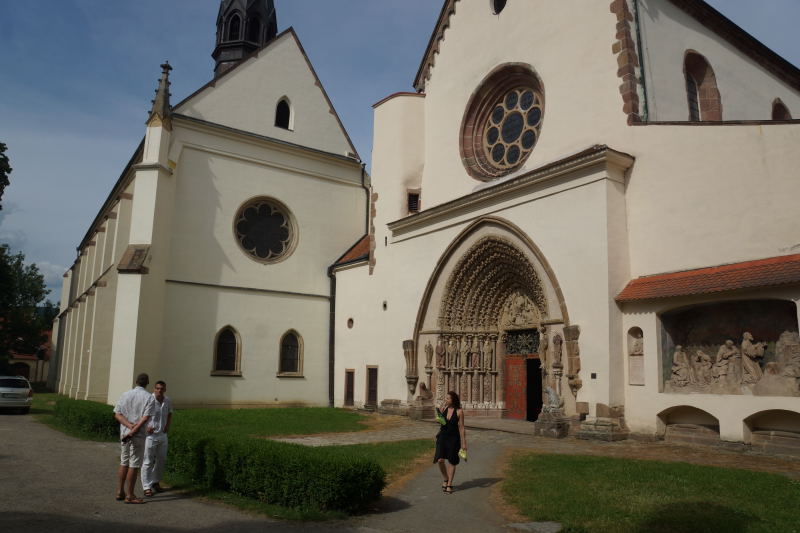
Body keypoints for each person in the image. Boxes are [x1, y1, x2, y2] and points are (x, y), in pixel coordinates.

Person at [113, 373, 156, 504]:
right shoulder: (149, 397)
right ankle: (130, 495)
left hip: (124, 434)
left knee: (124, 462)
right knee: (134, 464)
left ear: (136, 381)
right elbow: (145, 418)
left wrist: (129, 426)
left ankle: (120, 491)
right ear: (147, 383)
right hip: (138, 435)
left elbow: (117, 414)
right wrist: (134, 429)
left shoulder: (125, 394)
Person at [141, 380, 173, 497]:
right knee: (148, 461)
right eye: (157, 388)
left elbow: (170, 413)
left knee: (161, 460)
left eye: (162, 389)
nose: (159, 391)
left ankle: (155, 482)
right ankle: (146, 487)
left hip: (162, 435)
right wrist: (146, 427)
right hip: (151, 436)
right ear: (154, 389)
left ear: (165, 389)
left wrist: (167, 425)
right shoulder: (149, 400)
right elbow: (141, 415)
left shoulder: (167, 400)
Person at [433, 391, 466, 495]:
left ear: (453, 400)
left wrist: (464, 443)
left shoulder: (459, 411)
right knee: (440, 460)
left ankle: (449, 484)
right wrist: (439, 413)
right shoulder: (444, 408)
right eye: (446, 398)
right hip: (442, 437)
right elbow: (440, 422)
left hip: (453, 439)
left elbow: (461, 428)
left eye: (448, 398)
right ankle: (445, 478)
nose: (446, 400)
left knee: (452, 461)